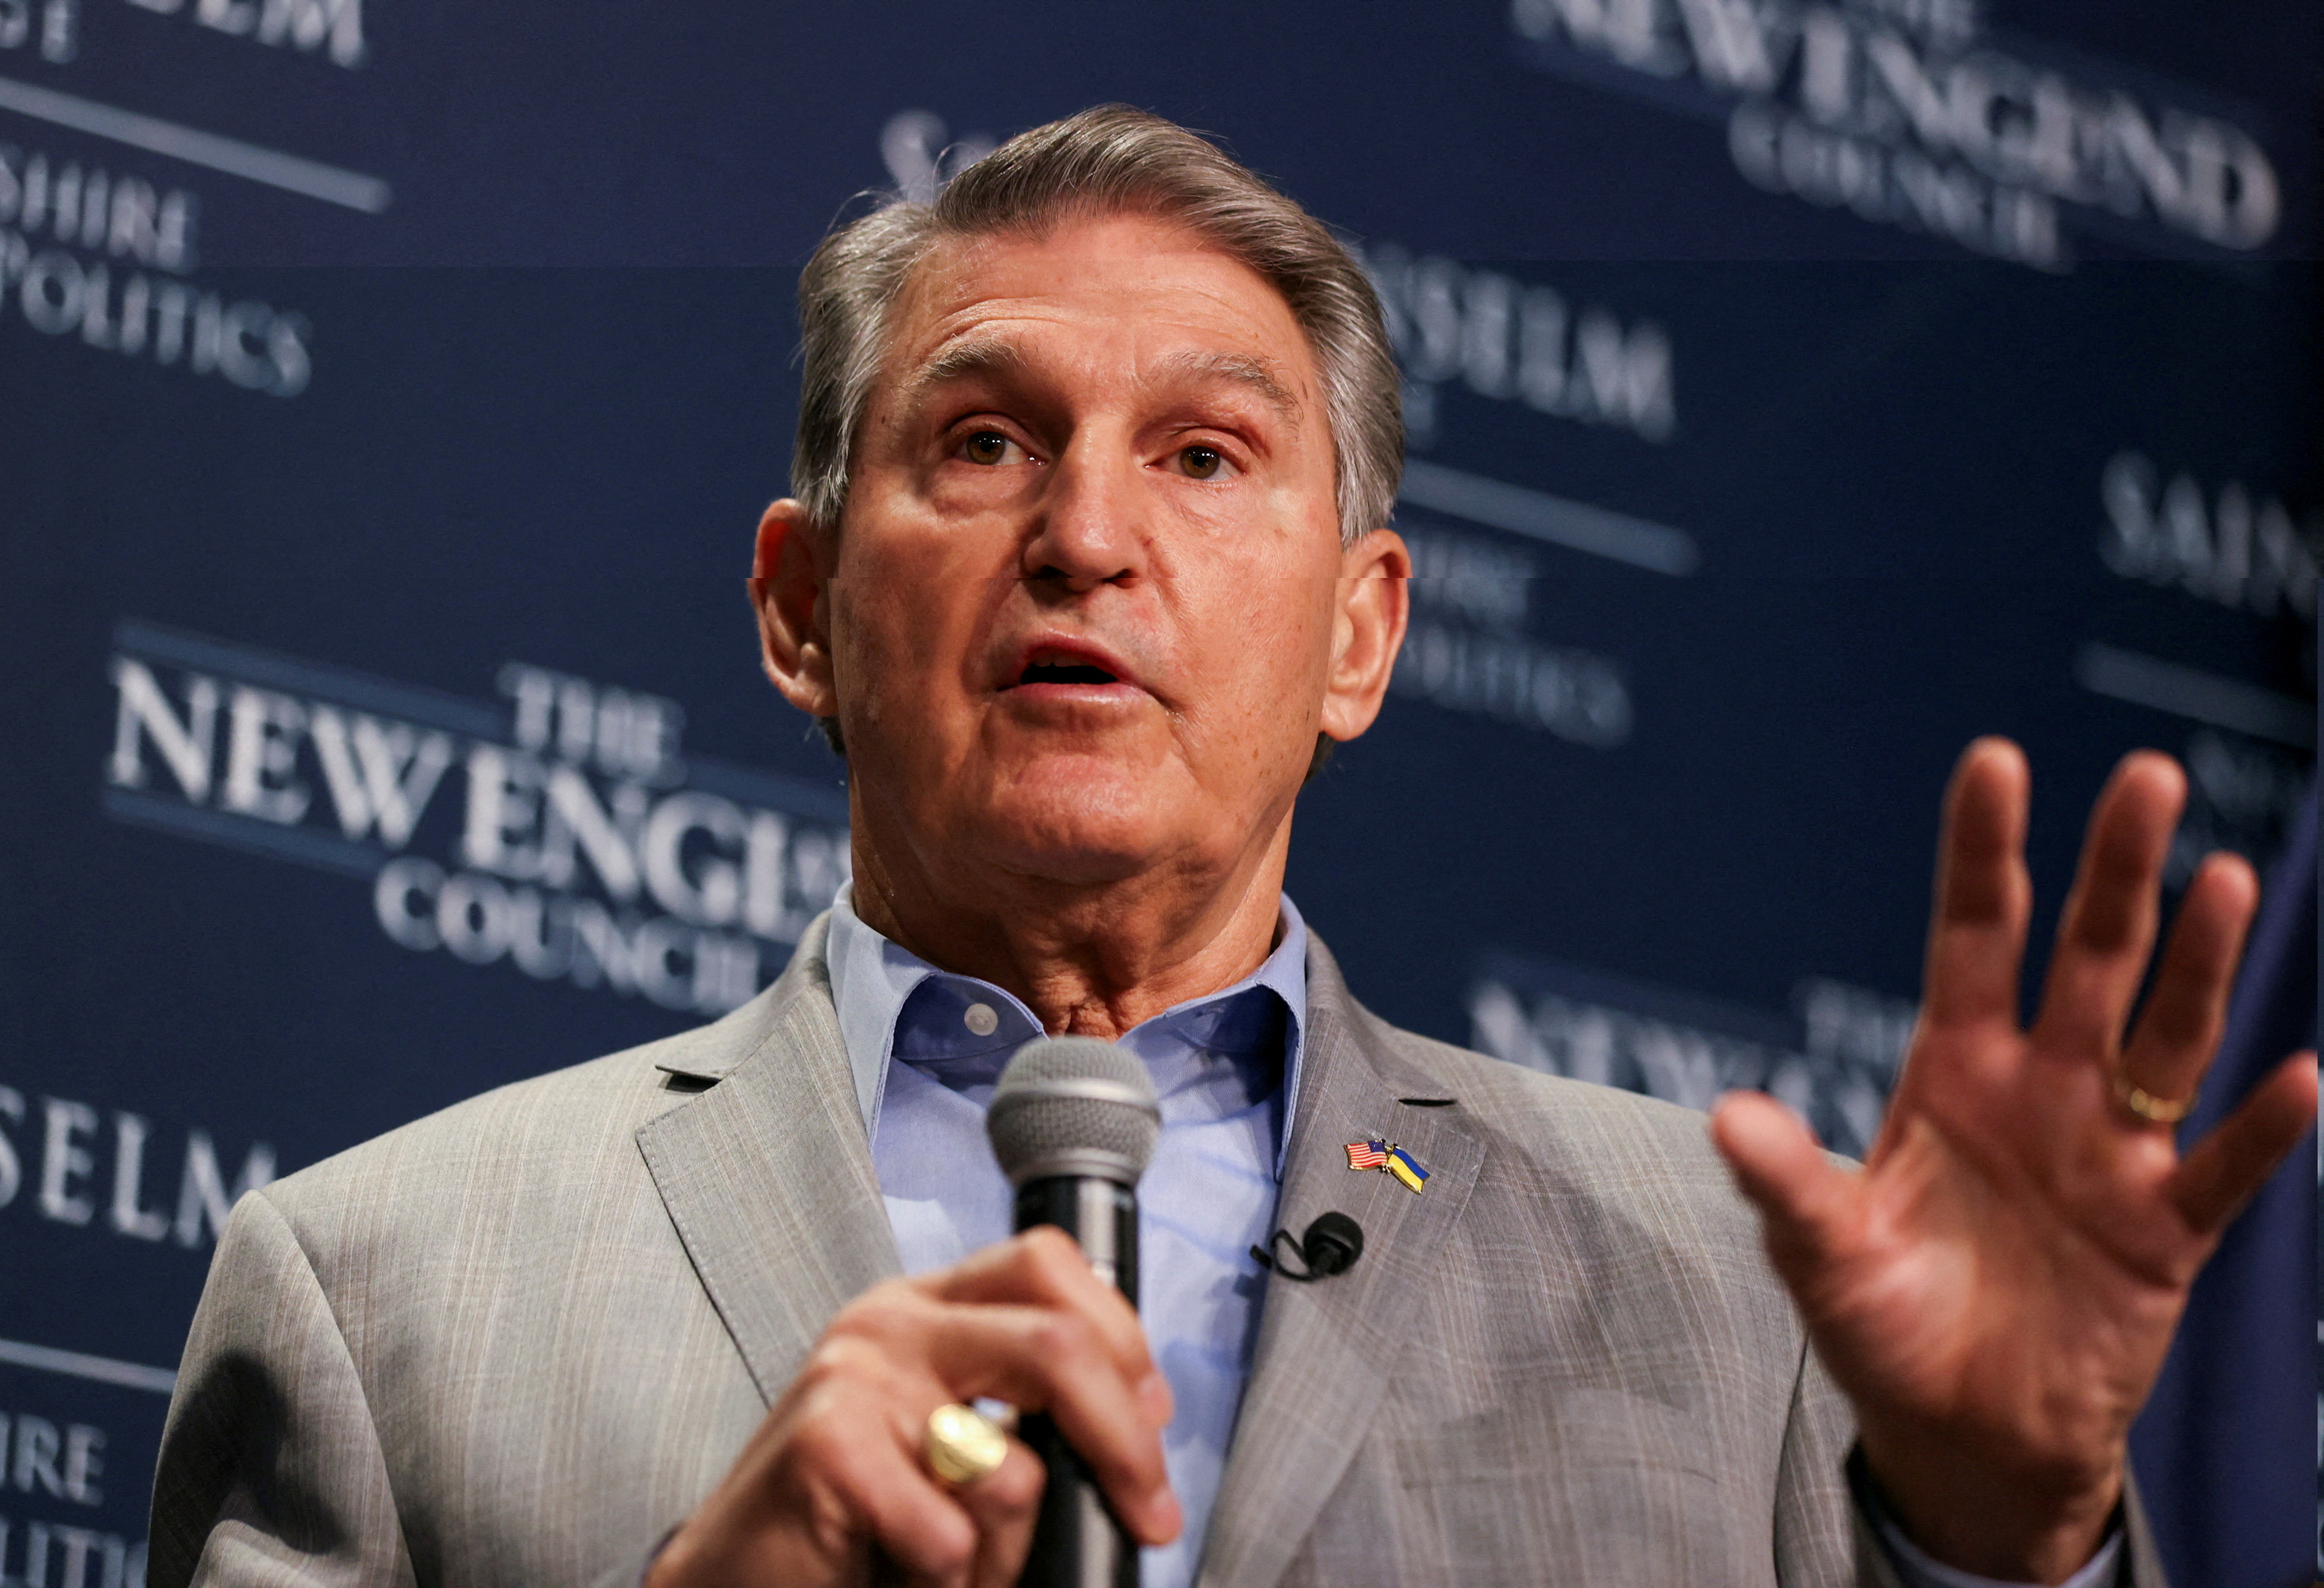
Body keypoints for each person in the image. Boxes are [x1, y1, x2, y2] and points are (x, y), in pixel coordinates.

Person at [148, 106, 2316, 1588]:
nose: (1091, 535)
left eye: (1205, 455)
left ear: (1359, 634)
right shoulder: (380, 1290)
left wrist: (2001, 1538)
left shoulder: (1755, 1306)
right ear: (803, 606)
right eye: (986, 440)